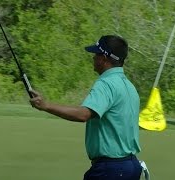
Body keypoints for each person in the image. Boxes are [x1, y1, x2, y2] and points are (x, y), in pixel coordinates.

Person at [29, 35, 143, 179]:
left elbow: (83, 114)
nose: (93, 58)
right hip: (131, 166)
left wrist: (46, 106)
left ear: (105, 58)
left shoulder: (106, 84)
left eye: (96, 54)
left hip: (110, 170)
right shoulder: (129, 86)